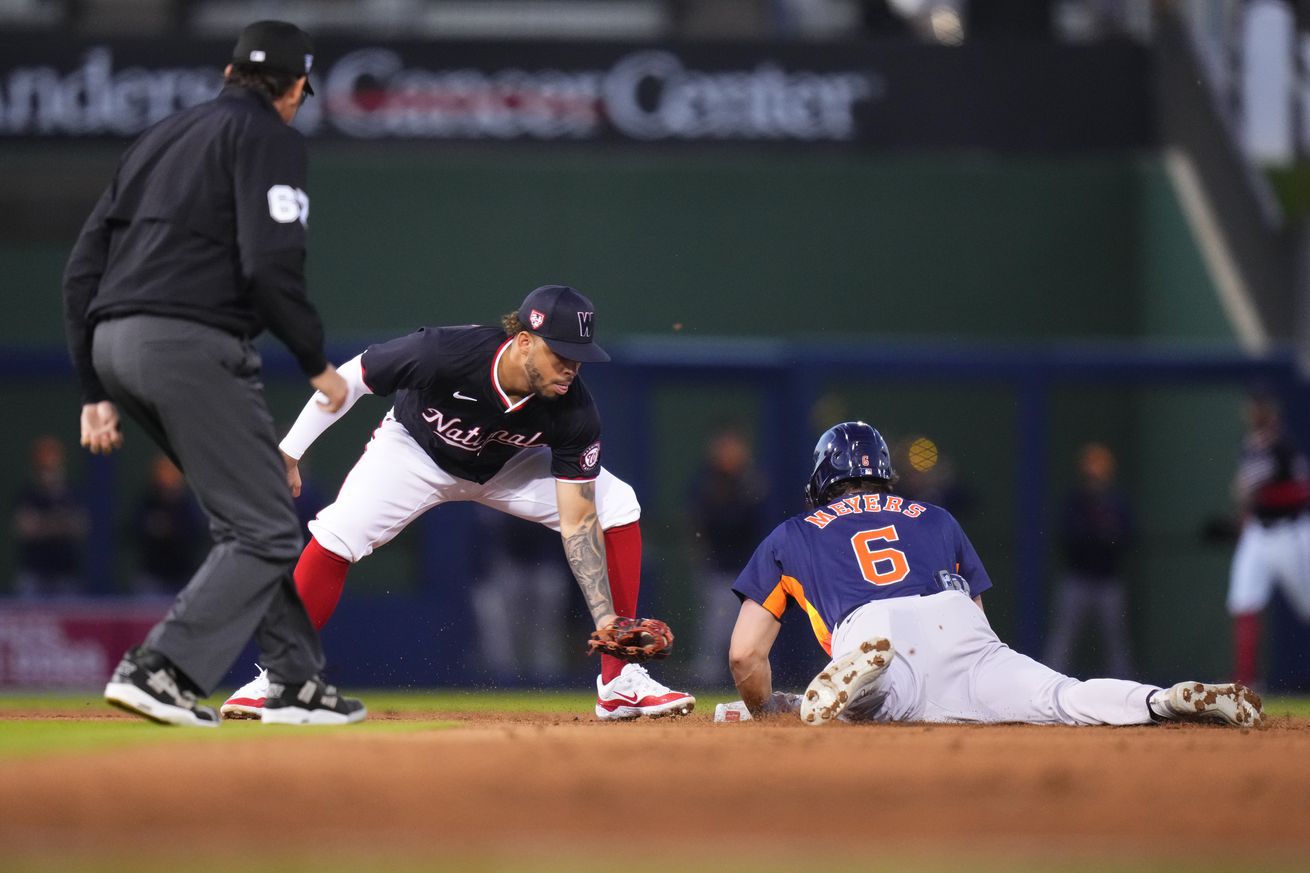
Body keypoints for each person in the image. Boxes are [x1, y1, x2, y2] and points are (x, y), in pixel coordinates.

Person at [62, 20, 365, 727]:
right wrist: (315, 360)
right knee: (264, 527)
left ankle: (295, 680)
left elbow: (82, 268)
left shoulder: (157, 139)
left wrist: (93, 387)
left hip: (116, 342)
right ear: (293, 89)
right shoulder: (271, 137)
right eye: (299, 91)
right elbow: (268, 266)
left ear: (230, 75)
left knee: (252, 515)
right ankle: (159, 667)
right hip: (190, 345)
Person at [219, 284, 694, 720]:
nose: (571, 368)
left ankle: (619, 683)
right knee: (338, 533)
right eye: (561, 354)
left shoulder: (574, 410)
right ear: (524, 341)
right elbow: (353, 377)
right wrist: (290, 450)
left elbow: (578, 521)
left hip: (507, 466)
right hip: (416, 452)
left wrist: (607, 618)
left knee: (618, 504)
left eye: (580, 358)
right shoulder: (443, 352)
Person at [726, 421, 1264, 728]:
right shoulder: (935, 515)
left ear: (822, 480)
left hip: (874, 630)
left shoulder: (793, 533)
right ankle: (1163, 699)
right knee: (1062, 697)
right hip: (961, 629)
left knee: (881, 698)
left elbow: (744, 655)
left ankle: (861, 677)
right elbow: (976, 618)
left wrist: (762, 706)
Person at [1226, 391, 1310, 688]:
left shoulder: (1284, 446)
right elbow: (1243, 491)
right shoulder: (1248, 447)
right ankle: (1246, 683)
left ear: (1271, 411)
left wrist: (1265, 496)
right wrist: (1246, 515)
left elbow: (1302, 491)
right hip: (1258, 533)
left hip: (1290, 532)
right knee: (1243, 601)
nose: (1255, 412)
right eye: (1252, 407)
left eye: (1261, 407)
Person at [1042, 442, 1136, 678]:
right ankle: (1048, 684)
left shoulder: (1116, 502)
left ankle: (1125, 690)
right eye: (1092, 474)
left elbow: (1125, 536)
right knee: (1063, 638)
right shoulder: (1075, 501)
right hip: (1078, 578)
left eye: (1100, 474)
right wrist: (1099, 533)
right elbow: (1069, 535)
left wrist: (1104, 535)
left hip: (1108, 580)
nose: (1096, 479)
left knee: (1116, 641)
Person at [687, 423, 770, 685]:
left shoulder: (752, 481)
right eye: (723, 446)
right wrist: (700, 557)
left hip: (749, 570)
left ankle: (749, 683)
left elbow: (763, 527)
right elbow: (693, 524)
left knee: (750, 635)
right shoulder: (705, 481)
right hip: (718, 569)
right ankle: (707, 683)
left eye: (733, 446)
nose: (728, 452)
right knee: (714, 631)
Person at [469, 505, 572, 683]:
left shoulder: (549, 492)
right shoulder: (492, 495)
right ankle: (502, 684)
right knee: (502, 635)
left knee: (545, 634)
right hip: (506, 567)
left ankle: (549, 685)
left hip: (545, 566)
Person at [12, 435, 89, 598]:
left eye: (51, 467)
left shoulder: (71, 494)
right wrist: (60, 522)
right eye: (43, 468)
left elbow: (80, 527)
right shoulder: (28, 495)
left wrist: (43, 523)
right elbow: (26, 529)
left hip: (65, 572)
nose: (47, 473)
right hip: (34, 573)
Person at [127, 456, 207, 595]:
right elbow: (129, 531)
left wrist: (173, 528)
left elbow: (199, 533)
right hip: (152, 575)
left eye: (172, 474)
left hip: (183, 576)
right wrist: (151, 526)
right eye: (164, 474)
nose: (168, 479)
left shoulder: (188, 504)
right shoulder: (148, 502)